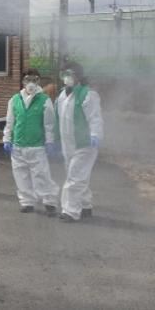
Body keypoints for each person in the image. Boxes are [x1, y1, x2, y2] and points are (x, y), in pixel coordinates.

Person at [3, 69, 59, 215]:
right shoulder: (15, 99)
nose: (31, 83)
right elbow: (10, 122)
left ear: (39, 81)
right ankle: (27, 202)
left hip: (37, 146)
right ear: (22, 82)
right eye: (28, 80)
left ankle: (49, 201)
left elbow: (49, 124)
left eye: (34, 80)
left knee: (42, 176)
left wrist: (50, 141)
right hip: (18, 145)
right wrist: (7, 139)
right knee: (21, 176)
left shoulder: (44, 100)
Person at [55, 61, 104, 222]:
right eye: (64, 74)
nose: (66, 78)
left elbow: (95, 117)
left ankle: (70, 211)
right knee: (77, 176)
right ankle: (85, 205)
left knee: (75, 177)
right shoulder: (62, 95)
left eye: (70, 74)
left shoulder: (87, 94)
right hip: (68, 144)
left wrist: (95, 135)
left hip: (85, 144)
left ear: (79, 76)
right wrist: (55, 140)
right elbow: (59, 119)